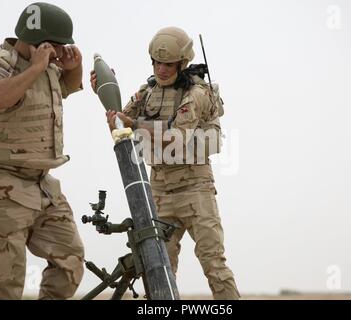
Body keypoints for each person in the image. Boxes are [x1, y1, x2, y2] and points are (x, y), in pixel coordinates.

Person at [91, 26, 240, 299]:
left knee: (214, 264)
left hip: (195, 189)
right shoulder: (146, 92)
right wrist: (104, 93)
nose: (161, 69)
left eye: (168, 64)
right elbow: (118, 128)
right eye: (157, 62)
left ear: (182, 63)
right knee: (158, 270)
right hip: (159, 190)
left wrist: (135, 124)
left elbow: (175, 138)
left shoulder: (197, 93)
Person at [0, 2, 84, 299]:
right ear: (35, 41)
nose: (57, 52)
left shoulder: (46, 68)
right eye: (54, 45)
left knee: (70, 259)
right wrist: (35, 68)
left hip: (40, 183)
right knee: (6, 281)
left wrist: (74, 66)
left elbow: (66, 89)